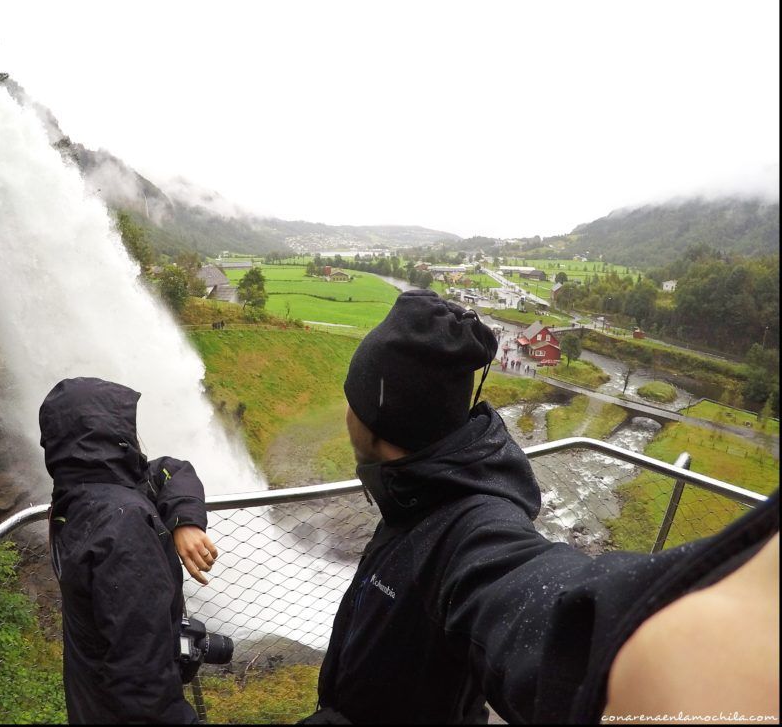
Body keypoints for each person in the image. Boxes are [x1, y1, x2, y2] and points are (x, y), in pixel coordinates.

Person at [302, 289, 779, 724]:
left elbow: (534, 598)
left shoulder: (468, 528)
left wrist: (656, 651)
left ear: (374, 420)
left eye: (351, 397)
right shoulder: (413, 490)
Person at [40, 377, 218, 724]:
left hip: (89, 699)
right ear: (110, 438)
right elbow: (142, 681)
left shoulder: (78, 495)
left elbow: (170, 470)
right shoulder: (122, 527)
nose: (137, 438)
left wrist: (185, 520)